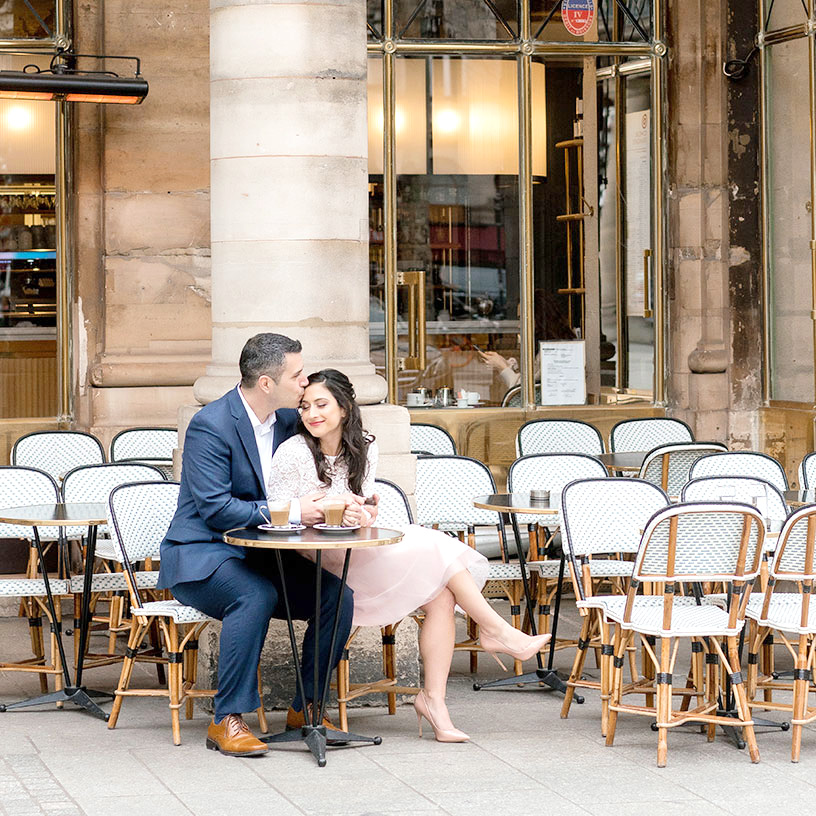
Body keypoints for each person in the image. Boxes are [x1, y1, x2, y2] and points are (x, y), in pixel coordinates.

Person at [267, 369, 551, 743]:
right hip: (314, 556)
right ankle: (494, 629)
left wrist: (363, 513)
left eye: (321, 404)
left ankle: (434, 700)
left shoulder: (364, 445)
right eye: (305, 406)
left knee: (442, 594)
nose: (311, 414)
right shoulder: (293, 452)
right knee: (435, 546)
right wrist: (324, 510)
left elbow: (366, 507)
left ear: (346, 408)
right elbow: (276, 511)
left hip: (358, 548)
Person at [157, 334, 357, 757]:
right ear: (267, 383)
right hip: (202, 555)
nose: (305, 383)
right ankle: (225, 720)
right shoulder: (211, 424)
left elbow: (337, 444)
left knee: (337, 596)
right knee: (255, 594)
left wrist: (355, 500)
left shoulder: (288, 421)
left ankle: (306, 709)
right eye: (298, 375)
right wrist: (295, 509)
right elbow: (216, 509)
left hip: (261, 554)